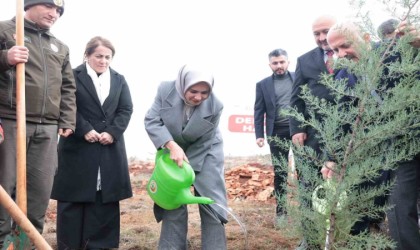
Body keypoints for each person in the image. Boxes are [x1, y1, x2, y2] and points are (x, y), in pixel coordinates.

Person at [324, 20, 420, 250]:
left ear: (366, 38)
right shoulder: (344, 75)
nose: (341, 54)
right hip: (398, 153)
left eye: (345, 45)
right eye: (334, 50)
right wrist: (332, 158)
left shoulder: (398, 51)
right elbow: (340, 120)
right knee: (399, 211)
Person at [0, 0, 76, 247]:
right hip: (10, 121)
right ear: (30, 4)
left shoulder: (60, 47)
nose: (54, 14)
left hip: (47, 128)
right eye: (50, 7)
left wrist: (66, 119)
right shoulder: (4, 31)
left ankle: (26, 245)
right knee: (4, 190)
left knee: (39, 194)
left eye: (59, 11)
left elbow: (67, 87)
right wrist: (5, 58)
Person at [50, 36, 133, 249]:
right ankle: (69, 245)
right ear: (87, 55)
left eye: (108, 57)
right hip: (77, 147)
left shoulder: (119, 79)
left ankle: (99, 245)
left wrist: (113, 133)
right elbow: (66, 104)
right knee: (72, 200)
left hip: (108, 148)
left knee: (104, 200)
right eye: (99, 56)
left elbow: (125, 109)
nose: (103, 61)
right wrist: (84, 129)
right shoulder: (71, 75)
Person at [144, 64, 228, 249]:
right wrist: (171, 145)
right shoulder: (165, 90)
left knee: (210, 199)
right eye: (193, 91)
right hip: (172, 145)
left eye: (204, 92)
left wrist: (187, 175)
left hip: (206, 150)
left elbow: (205, 141)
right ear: (183, 85)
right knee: (173, 198)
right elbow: (152, 120)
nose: (198, 97)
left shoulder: (216, 105)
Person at [288, 14, 337, 250]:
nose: (321, 38)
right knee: (309, 187)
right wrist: (297, 128)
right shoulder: (304, 60)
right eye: (316, 34)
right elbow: (296, 97)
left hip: (351, 135)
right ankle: (311, 238)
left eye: (325, 31)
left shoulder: (353, 53)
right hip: (315, 137)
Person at [254, 48, 295, 220]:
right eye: (275, 63)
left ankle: (310, 209)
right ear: (269, 64)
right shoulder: (262, 84)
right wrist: (259, 135)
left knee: (306, 170)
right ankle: (281, 212)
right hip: (276, 132)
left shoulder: (299, 78)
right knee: (280, 172)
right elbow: (259, 110)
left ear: (288, 62)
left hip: (298, 130)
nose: (279, 66)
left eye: (282, 62)